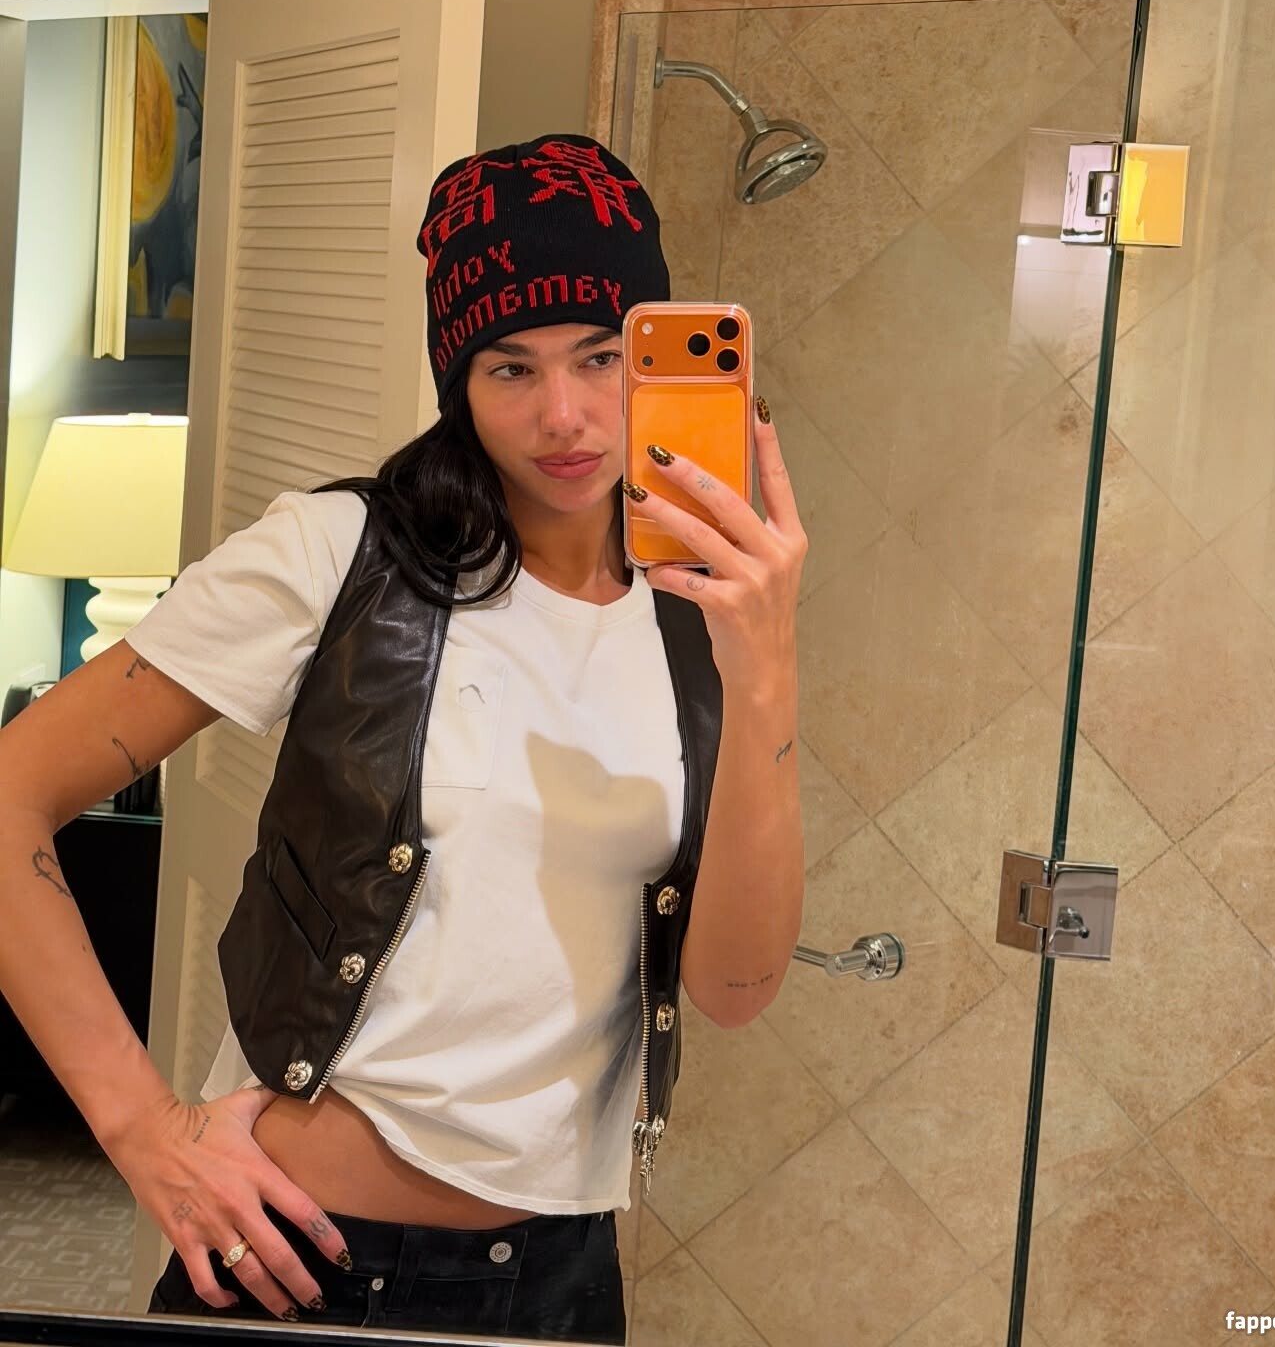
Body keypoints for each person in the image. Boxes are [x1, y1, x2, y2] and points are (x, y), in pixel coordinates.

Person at [0, 133, 808, 1342]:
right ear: (456, 381)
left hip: (566, 1282)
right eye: (510, 366)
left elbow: (736, 992)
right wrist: (141, 1131)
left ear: (653, 356)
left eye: (600, 357)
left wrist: (767, 664)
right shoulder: (341, 556)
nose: (565, 415)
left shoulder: (707, 611)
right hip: (308, 1265)